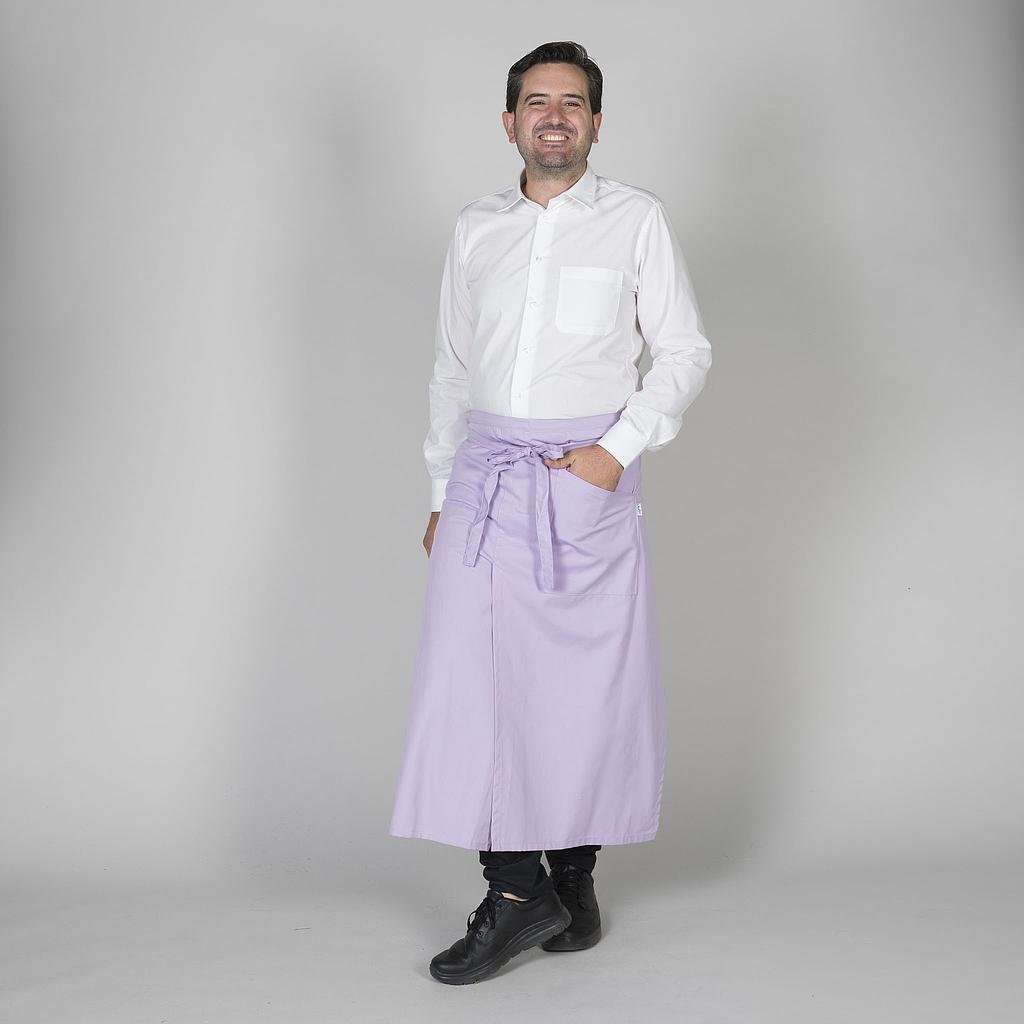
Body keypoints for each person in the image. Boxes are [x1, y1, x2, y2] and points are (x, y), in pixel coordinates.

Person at [388, 40, 712, 985]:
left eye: (573, 102)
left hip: (584, 475)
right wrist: (442, 491)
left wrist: (616, 451)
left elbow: (684, 350)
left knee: (581, 689)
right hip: (486, 477)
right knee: (475, 683)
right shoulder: (476, 228)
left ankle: (572, 880)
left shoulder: (636, 219)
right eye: (538, 101)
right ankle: (515, 889)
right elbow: (453, 368)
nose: (555, 117)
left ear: (596, 122)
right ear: (510, 121)